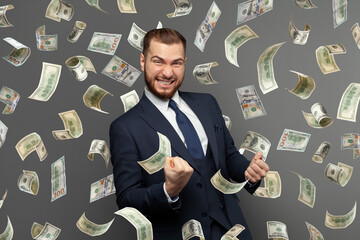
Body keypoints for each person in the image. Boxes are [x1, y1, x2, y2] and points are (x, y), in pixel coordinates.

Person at [110, 28, 269, 240]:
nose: (167, 72)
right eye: (158, 61)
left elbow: (228, 156)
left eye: (176, 63)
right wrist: (169, 190)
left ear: (185, 62)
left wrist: (248, 170)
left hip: (232, 229)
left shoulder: (207, 103)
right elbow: (127, 198)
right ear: (142, 61)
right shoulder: (125, 127)